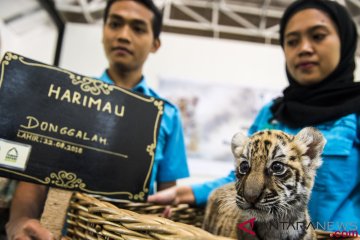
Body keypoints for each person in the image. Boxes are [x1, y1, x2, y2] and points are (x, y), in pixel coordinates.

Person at [149, 0, 360, 232]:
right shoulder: (271, 112)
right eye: (292, 41)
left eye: (318, 36)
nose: (304, 48)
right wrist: (188, 192)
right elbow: (240, 176)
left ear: (345, 41)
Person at [6, 0, 189, 239]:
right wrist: (19, 222)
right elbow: (34, 179)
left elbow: (167, 196)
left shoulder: (168, 115)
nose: (123, 35)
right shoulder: (66, 98)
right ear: (103, 32)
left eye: (138, 28)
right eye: (115, 24)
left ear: (155, 44)